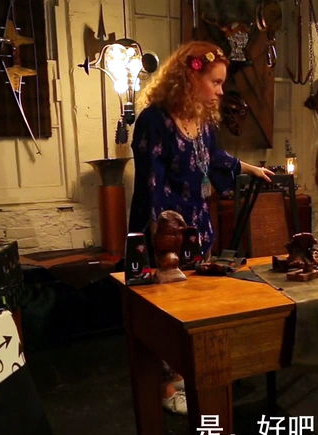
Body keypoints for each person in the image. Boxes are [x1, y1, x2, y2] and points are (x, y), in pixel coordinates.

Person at [128, 41, 273, 414]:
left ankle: (191, 376)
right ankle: (167, 386)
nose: (221, 91)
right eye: (216, 82)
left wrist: (250, 168)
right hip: (164, 234)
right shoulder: (154, 121)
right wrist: (160, 244)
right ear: (190, 78)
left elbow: (215, 158)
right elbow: (150, 186)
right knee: (166, 313)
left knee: (195, 311)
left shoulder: (203, 122)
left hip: (197, 231)